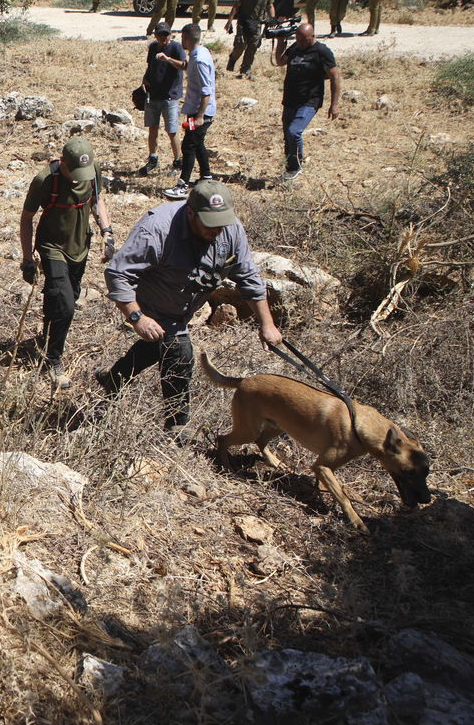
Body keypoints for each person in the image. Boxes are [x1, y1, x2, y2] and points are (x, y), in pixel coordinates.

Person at [99, 180, 283, 441]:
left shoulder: (230, 229)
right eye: (209, 222)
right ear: (190, 212)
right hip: (153, 300)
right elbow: (118, 274)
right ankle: (178, 426)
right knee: (180, 350)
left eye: (221, 221)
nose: (217, 229)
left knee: (158, 342)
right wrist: (138, 317)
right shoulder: (156, 229)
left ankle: (114, 379)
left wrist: (267, 324)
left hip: (185, 304)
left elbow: (249, 277)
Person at [20, 136, 115, 389]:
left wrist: (107, 232)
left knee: (65, 296)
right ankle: (54, 360)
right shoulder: (45, 180)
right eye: (74, 171)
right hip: (52, 246)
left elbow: (96, 200)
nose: (79, 176)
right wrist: (28, 259)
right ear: (62, 162)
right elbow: (27, 218)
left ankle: (47, 334)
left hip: (80, 244)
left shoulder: (92, 171)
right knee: (65, 303)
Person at [272, 22, 341, 181]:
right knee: (287, 136)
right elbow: (280, 61)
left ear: (313, 36)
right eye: (298, 39)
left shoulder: (322, 52)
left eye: (304, 40)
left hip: (310, 100)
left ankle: (297, 166)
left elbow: (335, 77)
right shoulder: (296, 47)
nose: (301, 43)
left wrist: (334, 104)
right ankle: (290, 168)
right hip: (290, 99)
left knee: (294, 131)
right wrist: (281, 41)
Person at [164, 23, 215, 200]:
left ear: (186, 38)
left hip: (201, 112)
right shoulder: (197, 54)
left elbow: (206, 91)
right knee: (197, 143)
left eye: (182, 38)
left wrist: (200, 116)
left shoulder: (200, 59)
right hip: (195, 110)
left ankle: (183, 185)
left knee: (189, 145)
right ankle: (206, 176)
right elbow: (187, 66)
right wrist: (169, 60)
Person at [137, 22, 185, 176]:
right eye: (160, 35)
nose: (163, 38)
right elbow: (150, 65)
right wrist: (145, 78)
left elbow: (184, 65)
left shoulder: (176, 47)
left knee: (172, 130)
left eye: (166, 34)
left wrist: (168, 59)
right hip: (153, 94)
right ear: (156, 35)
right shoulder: (152, 47)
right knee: (152, 127)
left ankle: (178, 161)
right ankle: (153, 158)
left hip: (169, 96)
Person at [225, 0, 276, 81]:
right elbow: (236, 6)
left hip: (257, 23)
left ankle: (245, 70)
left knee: (253, 47)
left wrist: (272, 18)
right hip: (244, 22)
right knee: (241, 45)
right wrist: (229, 22)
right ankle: (232, 60)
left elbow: (270, 5)